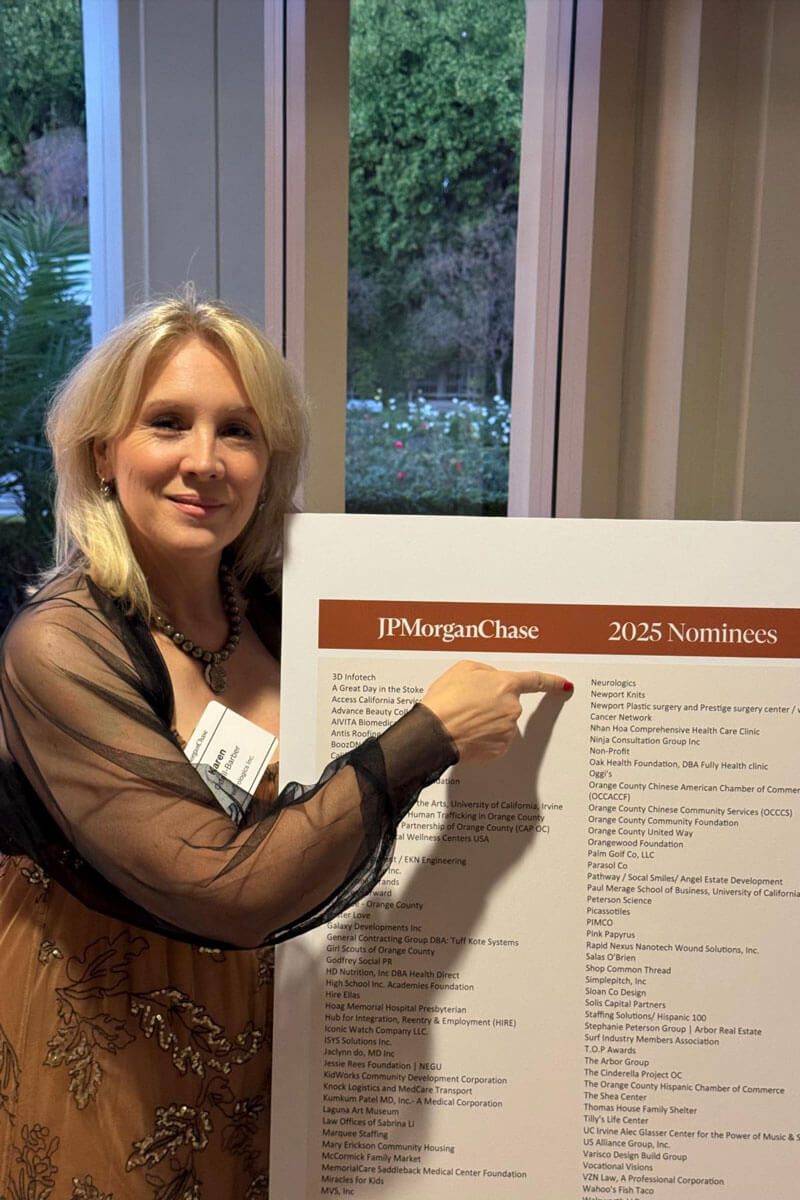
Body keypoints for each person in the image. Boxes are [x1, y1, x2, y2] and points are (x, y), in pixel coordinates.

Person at [0, 293, 570, 1198]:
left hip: (286, 1052)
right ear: (102, 451)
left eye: (239, 431)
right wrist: (430, 736)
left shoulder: (280, 606)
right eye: (167, 423)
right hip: (110, 1069)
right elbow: (227, 888)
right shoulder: (59, 646)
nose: (204, 461)